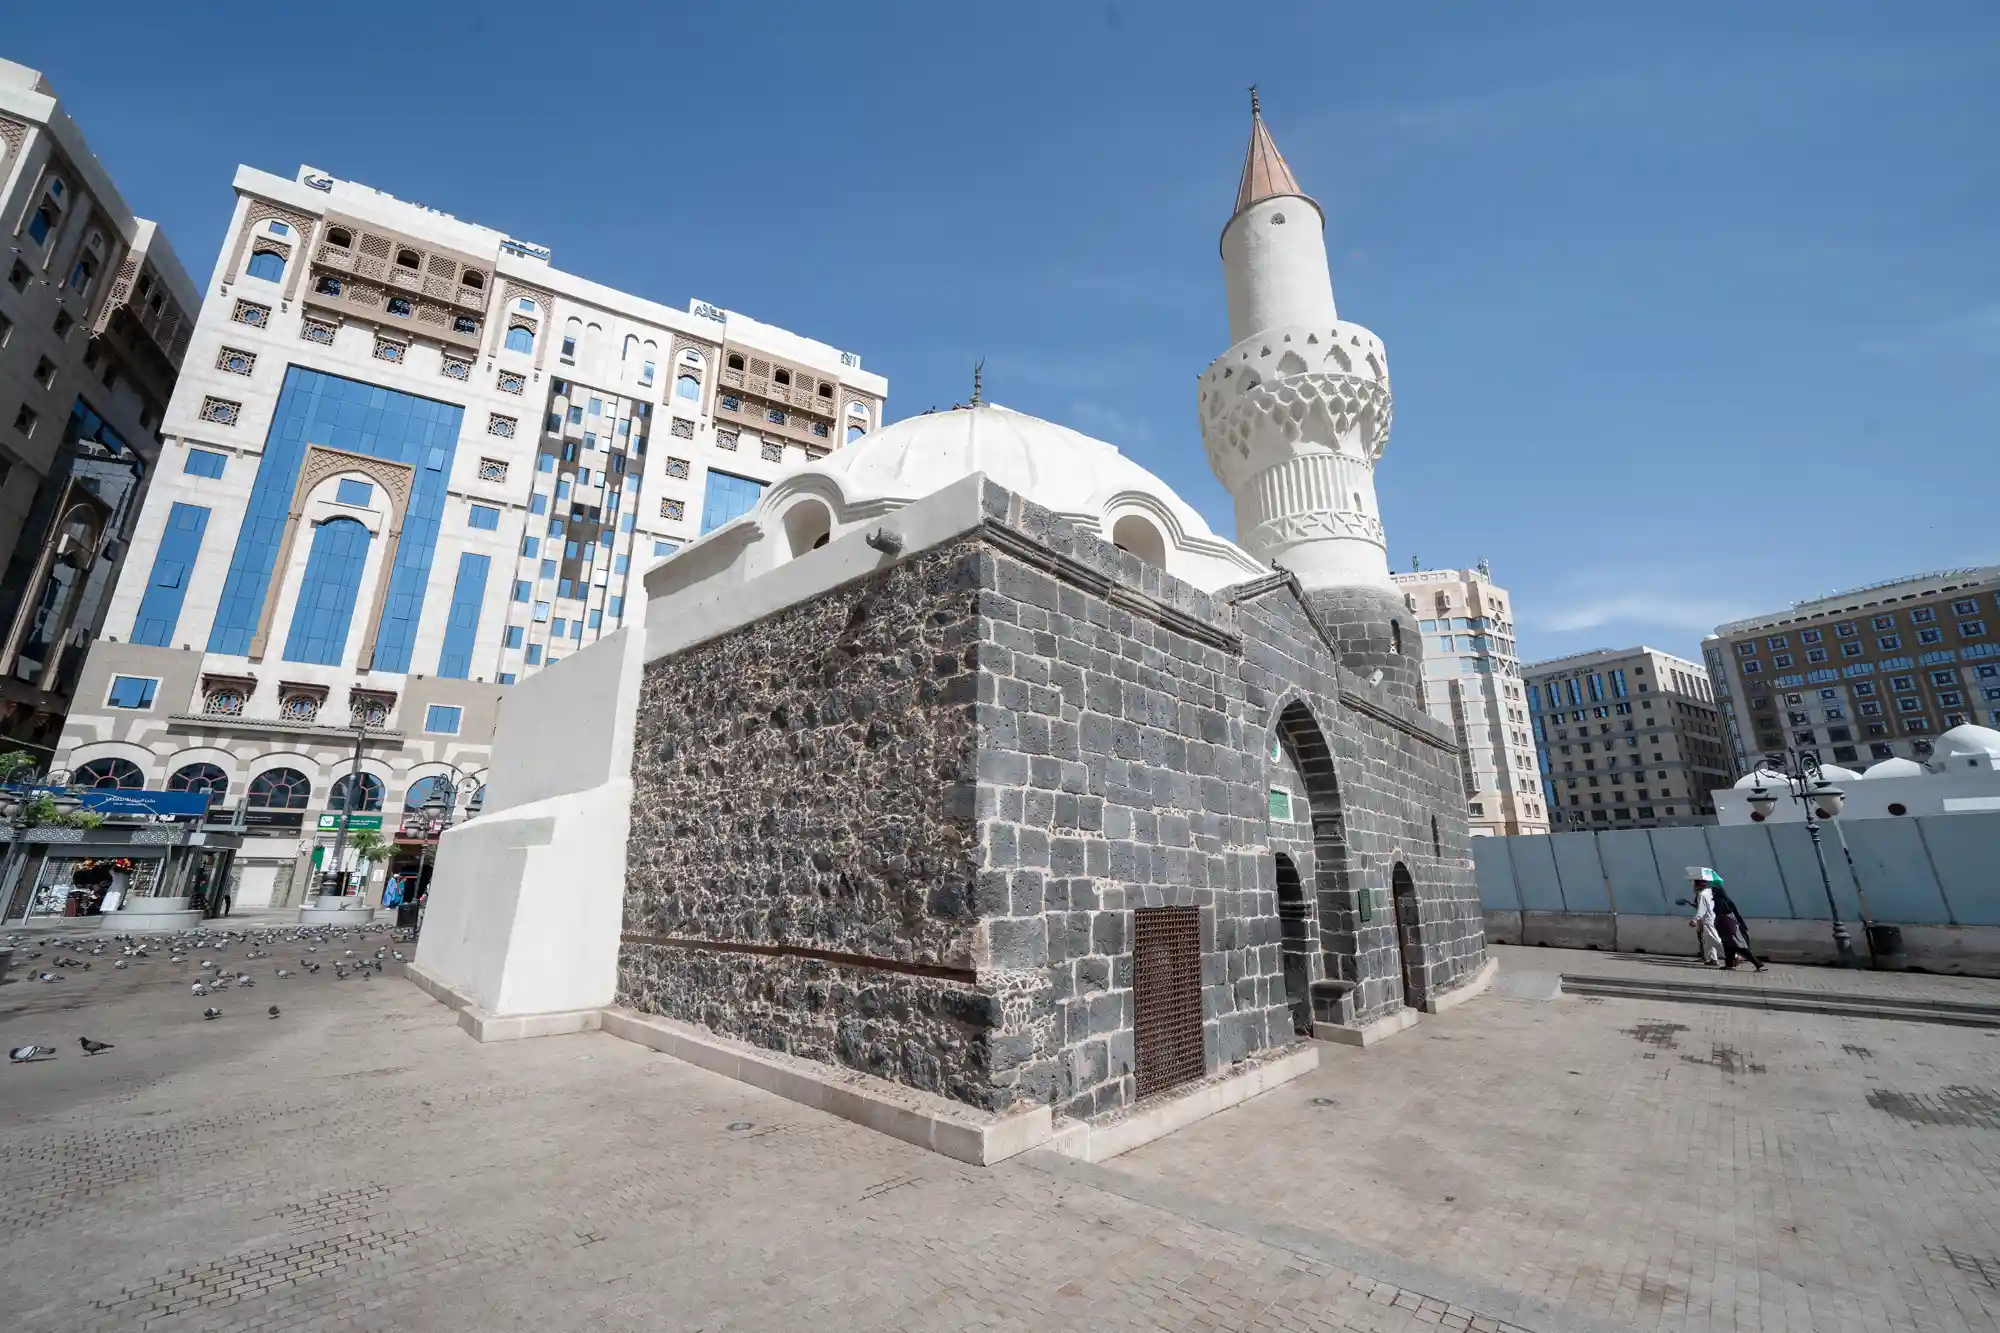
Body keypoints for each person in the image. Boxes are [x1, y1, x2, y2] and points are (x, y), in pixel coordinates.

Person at [1712, 880, 1767, 971]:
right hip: (1728, 927)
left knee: (1739, 946)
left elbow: (1720, 914)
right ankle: (1729, 965)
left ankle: (1759, 964)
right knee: (1729, 946)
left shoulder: (1719, 901)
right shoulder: (1725, 900)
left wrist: (1715, 922)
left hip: (1729, 927)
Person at [1687, 867, 1725, 966]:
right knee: (1709, 940)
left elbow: (1702, 909)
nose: (1692, 886)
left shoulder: (1702, 895)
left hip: (1708, 919)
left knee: (1715, 939)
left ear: (1698, 884)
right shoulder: (1709, 891)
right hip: (1712, 917)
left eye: (1694, 883)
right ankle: (1713, 958)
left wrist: (1695, 919)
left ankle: (1733, 956)